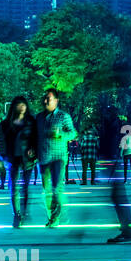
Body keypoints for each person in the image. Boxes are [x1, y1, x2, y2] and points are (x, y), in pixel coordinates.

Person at [35, 88, 76, 227]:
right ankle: (51, 215)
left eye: (49, 98)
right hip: (44, 157)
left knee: (56, 188)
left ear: (56, 101)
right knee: (46, 189)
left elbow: (72, 133)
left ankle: (55, 217)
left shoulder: (63, 116)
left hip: (59, 157)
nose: (46, 101)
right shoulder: (39, 117)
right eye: (45, 98)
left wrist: (60, 136)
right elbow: (35, 137)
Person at [0, 96, 37, 227]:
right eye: (19, 105)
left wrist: (34, 151)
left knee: (25, 187)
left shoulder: (31, 121)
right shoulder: (5, 124)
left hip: (28, 159)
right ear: (14, 107)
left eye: (23, 104)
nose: (22, 107)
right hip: (12, 158)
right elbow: (0, 140)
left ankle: (24, 213)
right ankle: (16, 215)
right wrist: (3, 155)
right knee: (13, 188)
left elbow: (37, 138)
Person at [79, 119, 99, 186]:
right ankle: (92, 182)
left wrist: (81, 152)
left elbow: (81, 146)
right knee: (93, 170)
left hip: (85, 156)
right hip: (93, 156)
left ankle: (84, 182)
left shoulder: (84, 138)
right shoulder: (95, 138)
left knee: (84, 170)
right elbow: (97, 147)